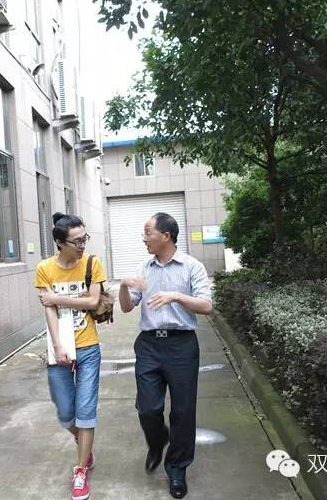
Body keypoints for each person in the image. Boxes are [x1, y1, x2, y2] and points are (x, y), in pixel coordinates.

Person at [118, 212, 213, 499]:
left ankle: (177, 469)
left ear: (166, 236)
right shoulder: (143, 268)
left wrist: (176, 296)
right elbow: (127, 307)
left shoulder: (191, 267)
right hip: (148, 344)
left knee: (183, 411)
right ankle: (158, 440)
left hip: (181, 346)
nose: (144, 238)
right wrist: (123, 287)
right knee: (148, 408)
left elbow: (206, 306)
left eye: (148, 232)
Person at [35, 212, 107, 500]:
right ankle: (85, 449)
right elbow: (49, 310)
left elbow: (92, 301)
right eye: (76, 241)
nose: (82, 245)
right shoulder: (44, 269)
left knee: (85, 410)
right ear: (59, 243)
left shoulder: (92, 263)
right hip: (60, 348)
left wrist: (57, 298)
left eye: (84, 239)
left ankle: (80, 469)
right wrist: (58, 346)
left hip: (88, 346)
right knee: (66, 413)